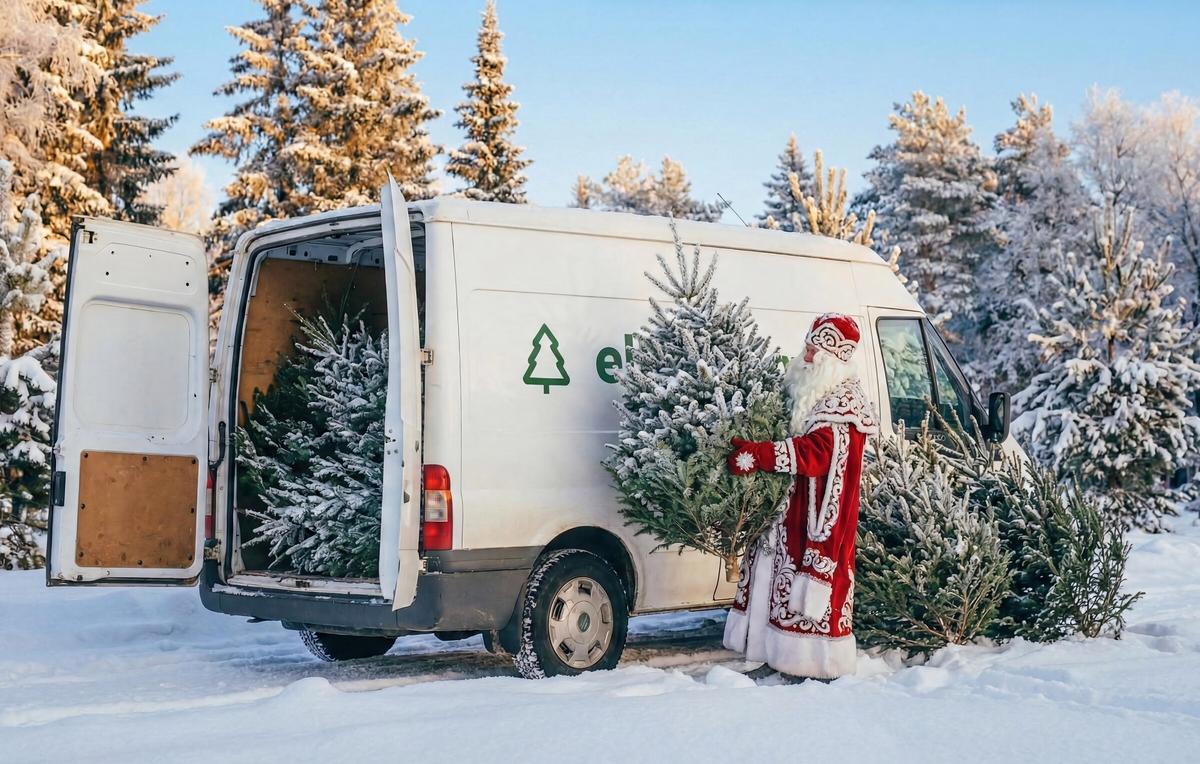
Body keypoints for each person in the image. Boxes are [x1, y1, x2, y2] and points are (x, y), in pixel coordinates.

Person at [724, 313, 878, 680]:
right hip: (791, 516)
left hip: (820, 524)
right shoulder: (812, 392)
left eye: (813, 352)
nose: (805, 357)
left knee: (808, 592)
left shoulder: (845, 405)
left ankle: (810, 663)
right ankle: (776, 655)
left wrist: (759, 455)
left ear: (833, 359)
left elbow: (815, 453)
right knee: (778, 582)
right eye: (806, 348)